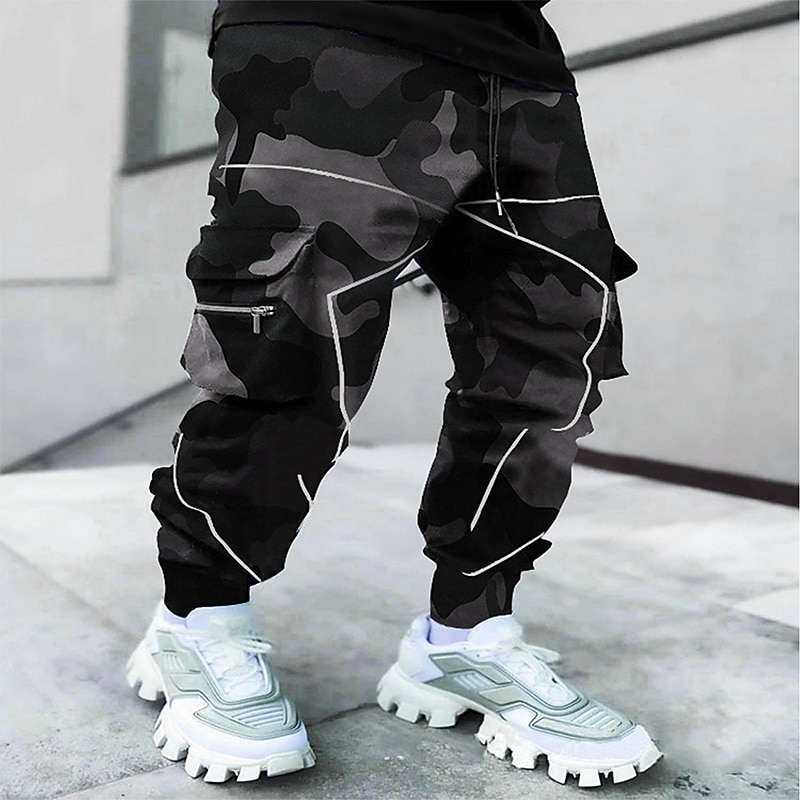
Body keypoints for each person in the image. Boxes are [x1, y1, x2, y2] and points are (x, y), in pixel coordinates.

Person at [126, 0, 661, 787]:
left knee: (552, 345)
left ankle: (464, 638)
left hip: (518, 60)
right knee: (290, 341)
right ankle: (197, 620)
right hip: (330, 30)